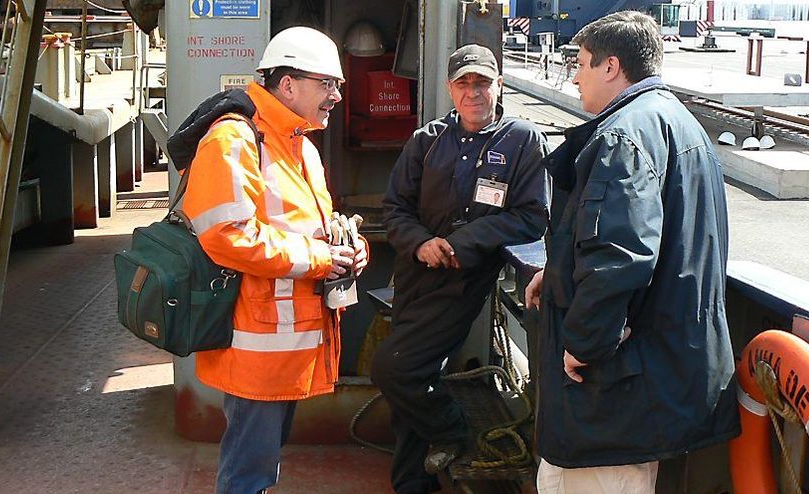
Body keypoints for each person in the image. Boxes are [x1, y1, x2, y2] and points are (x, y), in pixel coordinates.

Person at [524, 11, 738, 493]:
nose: (574, 75)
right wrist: (558, 274)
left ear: (611, 66)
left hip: (617, 390)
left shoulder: (624, 134)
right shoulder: (679, 123)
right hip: (662, 373)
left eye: (580, 63)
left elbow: (621, 254)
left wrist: (584, 343)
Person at [182, 26, 369, 494]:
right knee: (249, 471)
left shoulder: (300, 145)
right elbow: (227, 236)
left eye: (338, 85)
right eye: (327, 83)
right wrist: (322, 258)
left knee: (262, 464)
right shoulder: (233, 141)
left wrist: (348, 246)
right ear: (288, 84)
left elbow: (312, 224)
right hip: (257, 341)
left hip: (288, 339)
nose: (336, 96)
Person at [372, 43, 550, 494]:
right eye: (464, 83)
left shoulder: (523, 141)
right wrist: (421, 243)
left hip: (462, 280)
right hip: (415, 274)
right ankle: (413, 483)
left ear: (499, 85)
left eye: (482, 82)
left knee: (394, 368)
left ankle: (451, 430)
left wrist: (461, 243)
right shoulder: (426, 141)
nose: (473, 92)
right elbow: (395, 209)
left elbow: (532, 216)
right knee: (413, 376)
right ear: (451, 89)